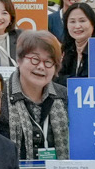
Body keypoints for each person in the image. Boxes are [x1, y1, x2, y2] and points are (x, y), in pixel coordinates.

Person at [5, 31, 73, 160]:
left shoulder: (65, 96)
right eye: (35, 59)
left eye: (48, 62)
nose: (41, 67)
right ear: (19, 60)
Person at [57, 3, 95, 80]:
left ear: (93, 23)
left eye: (82, 21)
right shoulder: (67, 49)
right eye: (72, 21)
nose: (77, 26)